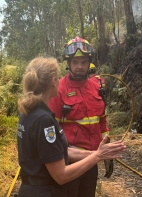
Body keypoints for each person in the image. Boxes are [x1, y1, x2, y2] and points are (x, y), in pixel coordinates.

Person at [17, 57, 126, 197]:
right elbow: (61, 175)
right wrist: (98, 155)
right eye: (57, 77)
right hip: (43, 191)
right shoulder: (44, 120)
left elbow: (59, 152)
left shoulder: (28, 112)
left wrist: (98, 154)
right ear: (53, 81)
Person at [48, 36, 110, 197]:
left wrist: (107, 152)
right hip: (69, 162)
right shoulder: (59, 88)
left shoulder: (97, 87)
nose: (80, 67)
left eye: (83, 62)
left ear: (89, 62)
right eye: (75, 63)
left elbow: (102, 122)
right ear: (68, 64)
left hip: (92, 160)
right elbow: (50, 128)